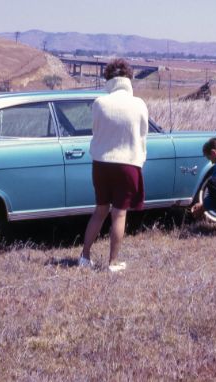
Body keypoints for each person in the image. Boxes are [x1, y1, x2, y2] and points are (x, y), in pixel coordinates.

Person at [79, 58, 148, 272]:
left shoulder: (100, 102)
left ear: (108, 78)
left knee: (99, 210)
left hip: (101, 163)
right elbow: (143, 134)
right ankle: (113, 262)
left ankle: (84, 256)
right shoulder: (139, 104)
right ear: (129, 78)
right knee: (119, 214)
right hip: (127, 163)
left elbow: (96, 130)